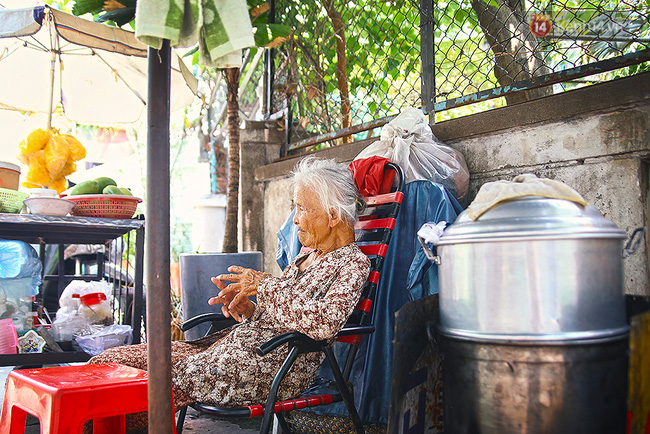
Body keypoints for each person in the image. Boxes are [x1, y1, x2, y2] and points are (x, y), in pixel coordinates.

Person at [87, 156, 370, 430]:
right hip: (233, 348)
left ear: (333, 216)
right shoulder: (304, 258)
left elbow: (324, 324)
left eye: (302, 209)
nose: (295, 220)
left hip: (271, 364)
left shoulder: (352, 263)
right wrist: (248, 310)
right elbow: (280, 315)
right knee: (109, 362)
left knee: (128, 386)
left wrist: (264, 284)